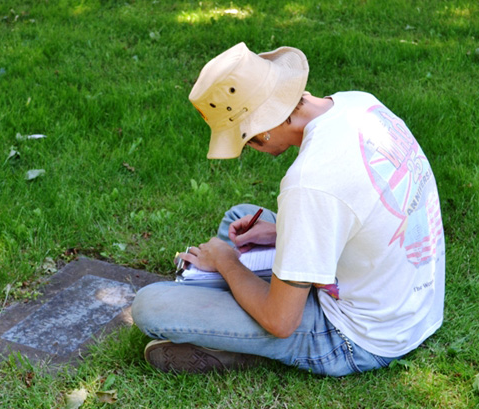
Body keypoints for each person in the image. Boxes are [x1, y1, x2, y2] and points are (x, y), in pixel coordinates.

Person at [131, 42, 445, 376]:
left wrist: (226, 262)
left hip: (360, 337)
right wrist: (283, 231)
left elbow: (281, 321)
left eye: (245, 139)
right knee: (241, 216)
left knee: (151, 306)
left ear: (263, 130)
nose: (250, 149)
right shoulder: (358, 103)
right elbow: (364, 207)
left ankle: (239, 341)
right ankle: (219, 302)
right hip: (411, 305)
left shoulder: (309, 182)